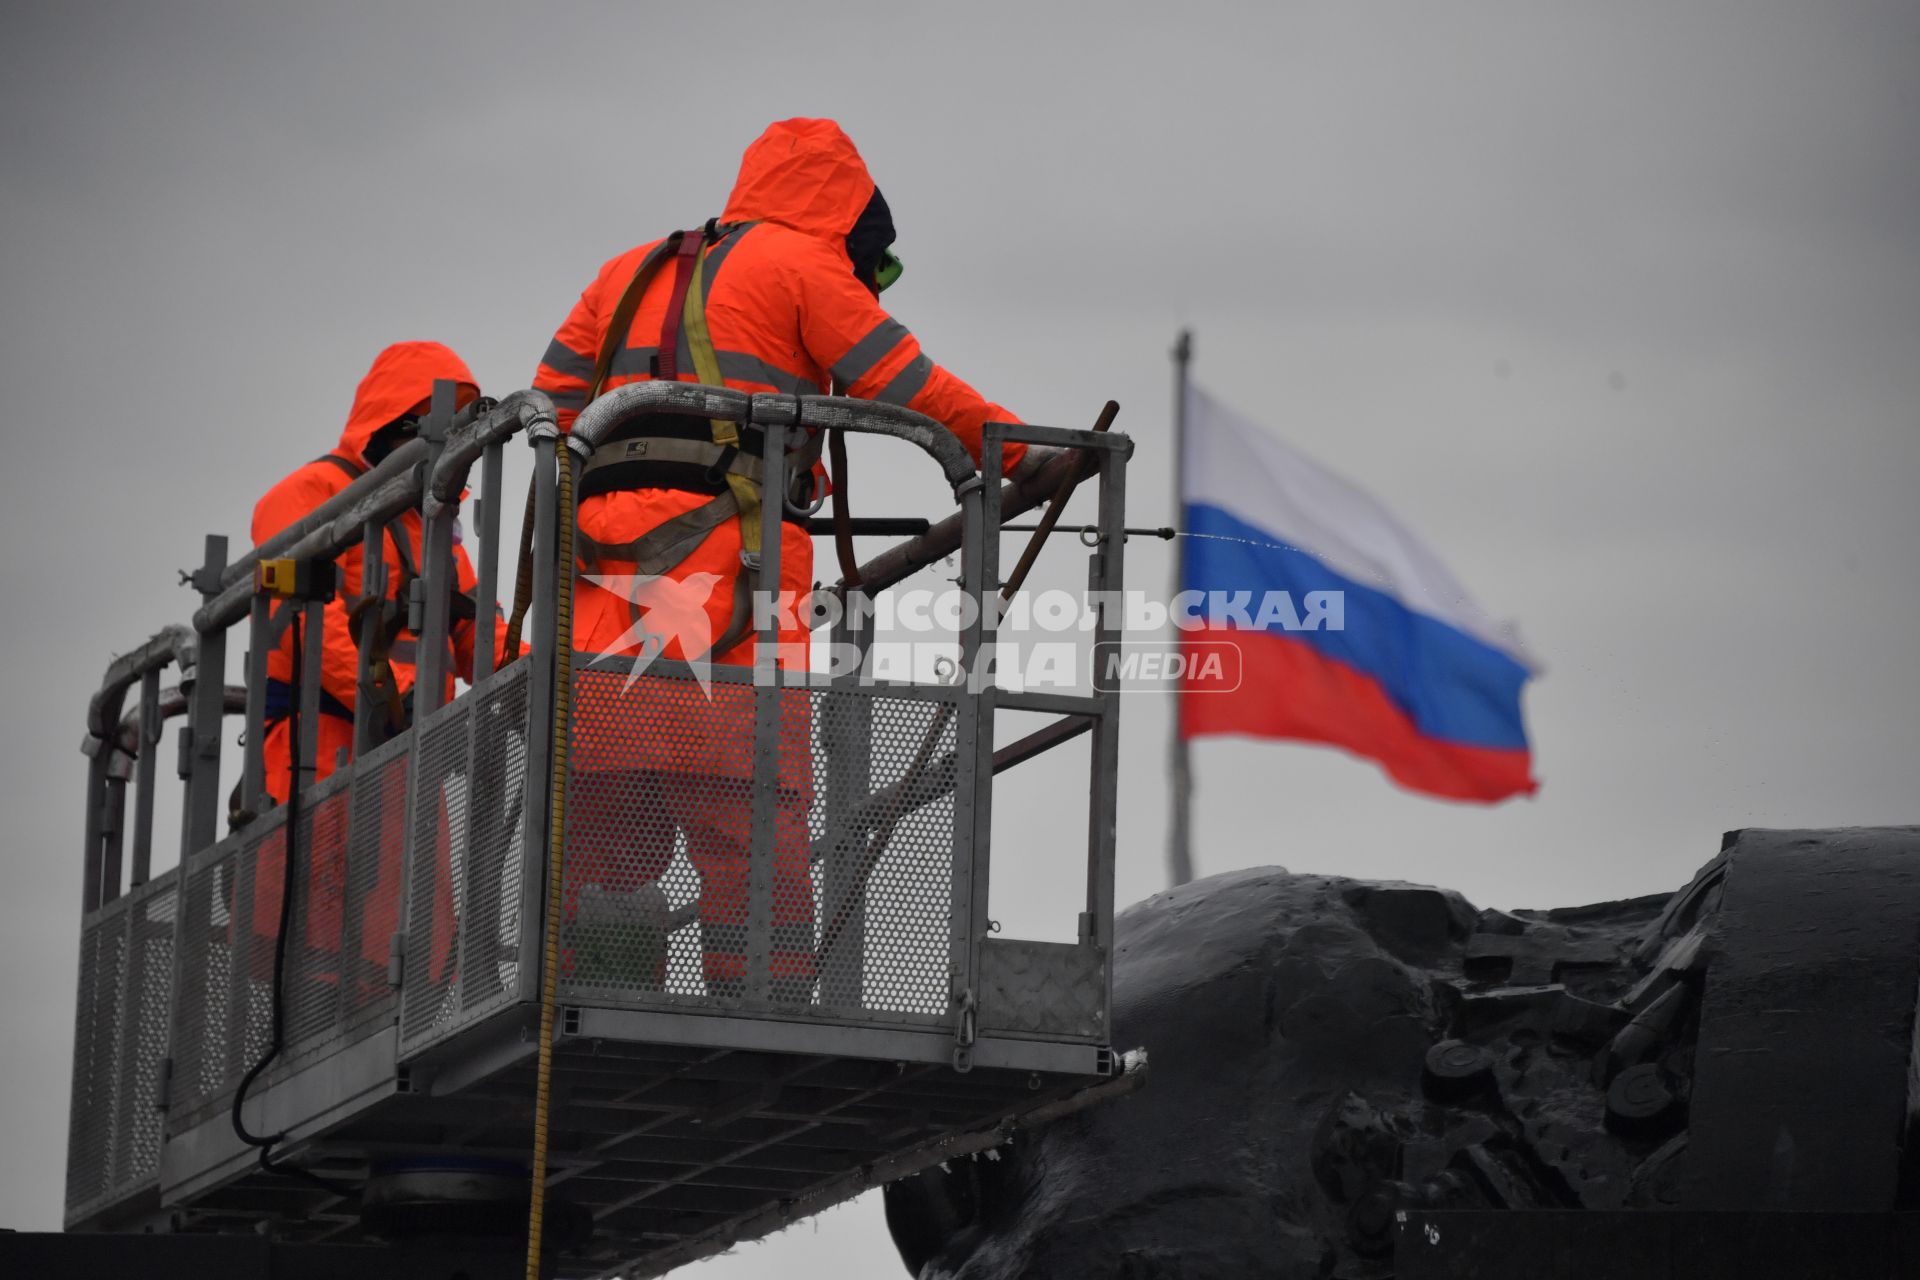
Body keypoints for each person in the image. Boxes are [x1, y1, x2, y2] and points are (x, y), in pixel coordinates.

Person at [534, 117, 1028, 1002]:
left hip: (599, 592)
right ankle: (759, 1006)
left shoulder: (625, 272)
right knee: (751, 820)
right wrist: (1020, 453)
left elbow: (549, 414)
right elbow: (906, 381)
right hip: (728, 584)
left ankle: (576, 1007)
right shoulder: (804, 265)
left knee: (602, 817)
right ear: (841, 209)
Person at [247, 341, 510, 993]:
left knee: (416, 940)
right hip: (319, 750)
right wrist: (414, 703)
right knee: (316, 939)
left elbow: (477, 624)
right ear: (397, 428)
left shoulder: (433, 522)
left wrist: (541, 679)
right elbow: (312, 626)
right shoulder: (306, 495)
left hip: (410, 755)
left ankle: (406, 1019)